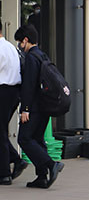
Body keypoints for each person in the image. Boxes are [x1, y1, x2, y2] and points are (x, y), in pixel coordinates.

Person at [16, 24, 63, 189]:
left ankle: (51, 165)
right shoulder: (43, 55)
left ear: (26, 40)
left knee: (24, 138)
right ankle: (42, 177)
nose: (20, 46)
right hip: (45, 106)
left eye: (20, 42)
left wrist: (25, 109)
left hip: (33, 107)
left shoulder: (30, 58)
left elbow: (29, 86)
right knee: (37, 139)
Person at [0, 22, 28, 185]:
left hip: (3, 91)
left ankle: (4, 173)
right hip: (14, 92)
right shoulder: (10, 47)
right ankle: (15, 160)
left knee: (0, 131)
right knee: (1, 130)